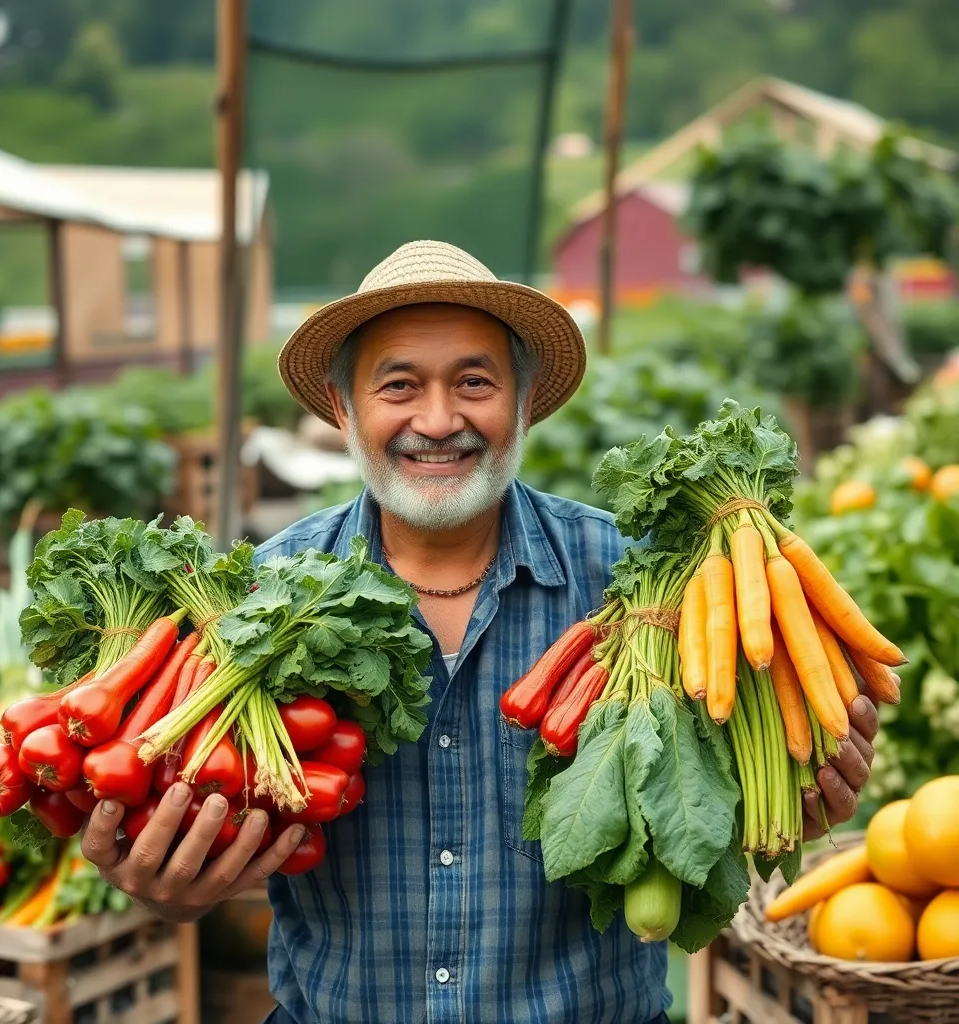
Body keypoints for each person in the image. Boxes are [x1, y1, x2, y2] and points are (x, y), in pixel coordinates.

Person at [82, 240, 880, 1024]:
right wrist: (168, 888)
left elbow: (713, 795)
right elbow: (196, 831)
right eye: (398, 385)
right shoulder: (253, 600)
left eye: (474, 381)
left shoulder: (650, 586)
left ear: (524, 403)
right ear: (343, 407)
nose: (438, 419)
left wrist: (785, 789)